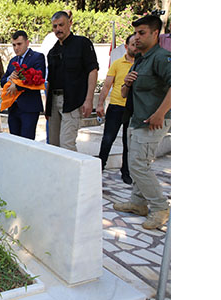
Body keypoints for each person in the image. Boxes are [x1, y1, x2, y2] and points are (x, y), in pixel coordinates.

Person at [113, 15, 171, 230]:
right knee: (138, 164)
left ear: (156, 34)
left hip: (152, 121)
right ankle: (138, 203)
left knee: (137, 165)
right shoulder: (141, 59)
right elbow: (124, 92)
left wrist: (160, 113)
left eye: (142, 33)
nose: (136, 37)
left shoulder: (162, 57)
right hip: (137, 119)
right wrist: (126, 84)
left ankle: (159, 207)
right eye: (135, 33)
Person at [45, 11, 99, 151]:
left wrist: (89, 99)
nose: (58, 29)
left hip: (73, 101)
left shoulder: (82, 43)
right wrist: (47, 107)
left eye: (61, 25)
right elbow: (49, 79)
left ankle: (72, 173)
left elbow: (92, 71)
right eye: (55, 26)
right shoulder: (52, 52)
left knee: (67, 144)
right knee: (53, 145)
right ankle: (57, 173)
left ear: (70, 23)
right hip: (53, 102)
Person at [96, 33, 137, 184]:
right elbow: (107, 85)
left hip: (133, 109)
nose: (135, 47)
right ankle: (100, 166)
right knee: (107, 139)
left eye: (137, 44)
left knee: (128, 143)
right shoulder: (117, 63)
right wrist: (100, 104)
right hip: (116, 107)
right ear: (126, 47)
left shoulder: (142, 64)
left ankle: (125, 171)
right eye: (132, 44)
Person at [2, 30, 47, 140]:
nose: (16, 47)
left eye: (19, 44)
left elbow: (38, 78)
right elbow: (3, 81)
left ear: (27, 43)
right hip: (14, 108)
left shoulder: (37, 57)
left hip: (29, 107)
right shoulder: (13, 60)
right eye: (14, 45)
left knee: (27, 142)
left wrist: (16, 85)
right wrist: (10, 78)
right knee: (15, 141)